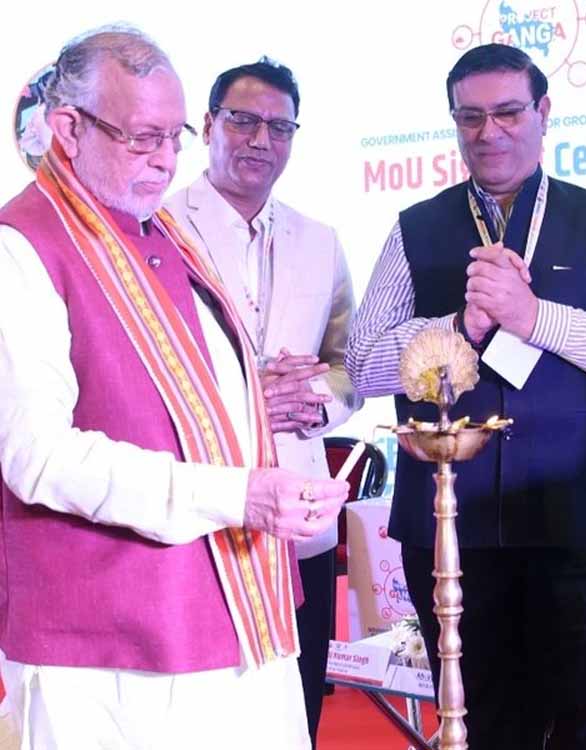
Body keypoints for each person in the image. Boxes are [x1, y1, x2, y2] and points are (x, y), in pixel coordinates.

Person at [0, 27, 348, 749]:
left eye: (173, 136)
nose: (165, 158)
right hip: (107, 642)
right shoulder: (20, 246)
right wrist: (238, 495)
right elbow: (39, 457)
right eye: (141, 137)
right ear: (68, 128)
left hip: (236, 606)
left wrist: (276, 481)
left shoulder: (159, 232)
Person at [346, 42, 586, 750]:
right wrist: (457, 329)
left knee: (569, 723)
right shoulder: (415, 227)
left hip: (577, 519)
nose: (488, 132)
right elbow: (363, 364)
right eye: (470, 117)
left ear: (544, 112)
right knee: (475, 721)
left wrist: (535, 318)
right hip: (450, 523)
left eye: (508, 113)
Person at [165, 56, 360, 749]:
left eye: (279, 128)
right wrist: (249, 396)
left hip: (300, 508)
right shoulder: (157, 227)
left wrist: (314, 404)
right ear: (208, 125)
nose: (260, 140)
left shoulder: (319, 239)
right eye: (243, 121)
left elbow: (349, 361)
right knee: (209, 715)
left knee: (298, 707)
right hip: (202, 508)